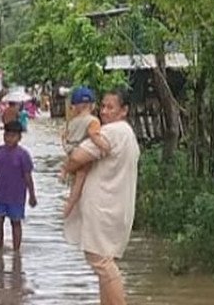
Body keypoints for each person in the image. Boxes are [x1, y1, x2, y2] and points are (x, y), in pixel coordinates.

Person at [63, 90, 140, 305]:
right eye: (103, 106)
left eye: (110, 107)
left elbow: (77, 156)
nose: (104, 111)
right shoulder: (127, 133)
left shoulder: (112, 131)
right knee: (105, 260)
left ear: (124, 111)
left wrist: (67, 163)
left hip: (103, 207)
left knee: (101, 261)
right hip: (117, 206)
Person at [0, 120, 36, 251]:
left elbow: (28, 177)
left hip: (16, 197)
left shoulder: (23, 155)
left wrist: (32, 195)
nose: (9, 138)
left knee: (16, 223)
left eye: (13, 136)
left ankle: (16, 251)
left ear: (19, 138)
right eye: (6, 135)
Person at [60, 86, 112, 217]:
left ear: (74, 107)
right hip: (81, 151)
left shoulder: (72, 122)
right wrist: (105, 147)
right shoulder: (93, 121)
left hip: (70, 149)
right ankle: (70, 205)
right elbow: (94, 136)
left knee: (74, 180)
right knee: (81, 177)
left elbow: (64, 136)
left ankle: (64, 171)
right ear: (93, 105)